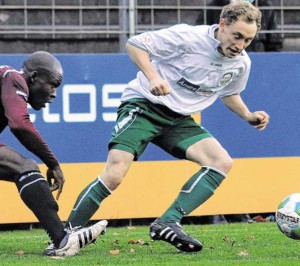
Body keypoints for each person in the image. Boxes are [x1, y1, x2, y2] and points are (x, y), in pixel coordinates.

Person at [65, 2, 269, 253]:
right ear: (223, 24)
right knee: (116, 172)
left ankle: (168, 222)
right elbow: (135, 44)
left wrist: (248, 115)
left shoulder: (241, 63)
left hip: (178, 119)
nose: (240, 45)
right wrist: (153, 76)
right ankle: (66, 235)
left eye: (247, 40)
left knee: (221, 162)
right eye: (237, 36)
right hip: (144, 106)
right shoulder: (188, 37)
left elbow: (229, 94)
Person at [0, 51, 107, 256]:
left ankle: (62, 237)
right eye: (53, 84)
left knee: (24, 168)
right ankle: (63, 239)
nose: (54, 93)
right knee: (25, 167)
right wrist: (53, 163)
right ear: (34, 78)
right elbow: (20, 124)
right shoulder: (13, 78)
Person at [197, 0, 283, 52]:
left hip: (257, 63)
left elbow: (274, 43)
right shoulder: (213, 6)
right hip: (218, 61)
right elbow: (202, 37)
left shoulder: (265, 6)